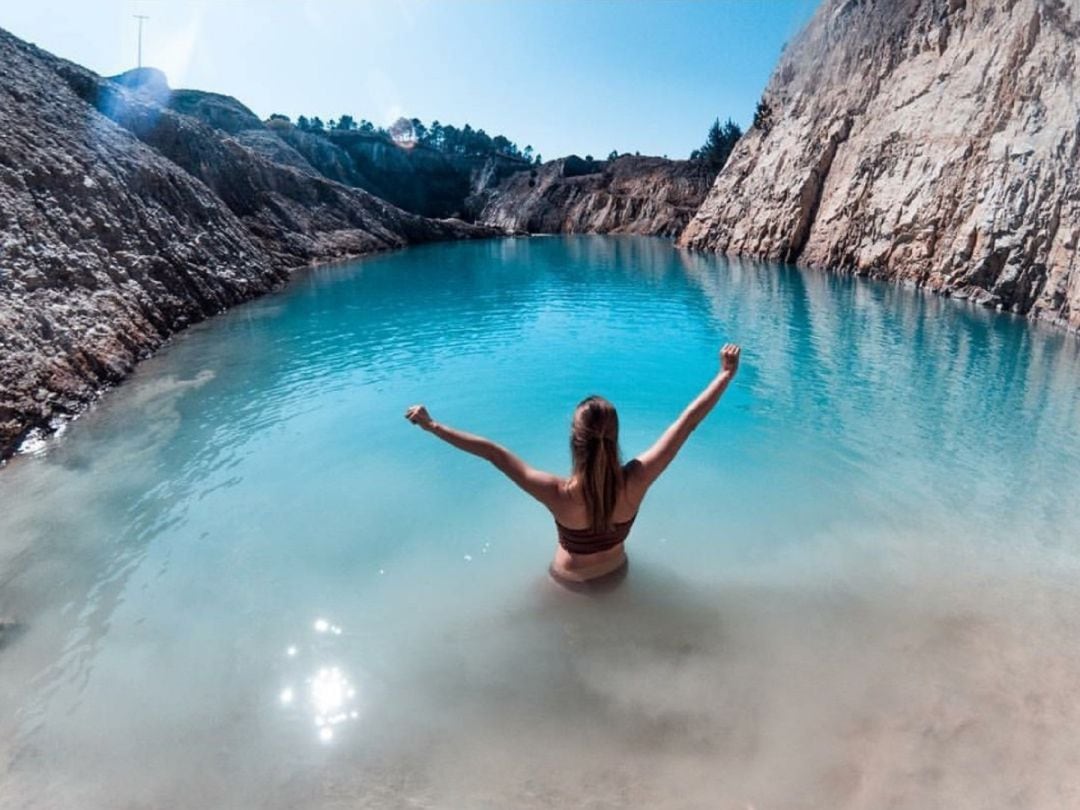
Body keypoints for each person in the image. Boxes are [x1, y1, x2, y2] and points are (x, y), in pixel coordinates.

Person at [405, 344, 741, 591]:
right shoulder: (637, 480)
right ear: (615, 437)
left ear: (574, 440)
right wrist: (725, 374)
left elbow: (493, 453)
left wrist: (432, 426)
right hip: (618, 575)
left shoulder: (557, 493)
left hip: (570, 585)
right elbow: (687, 423)